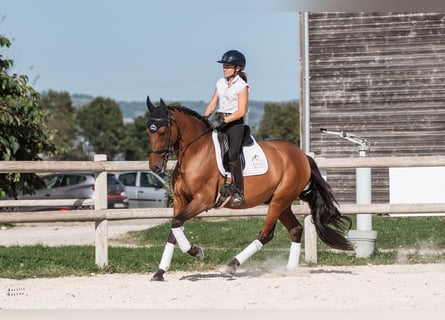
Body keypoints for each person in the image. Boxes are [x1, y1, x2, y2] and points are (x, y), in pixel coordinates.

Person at [204, 49, 249, 206]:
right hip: (219, 119)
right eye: (223, 66)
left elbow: (241, 111)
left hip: (235, 124)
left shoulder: (242, 86)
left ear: (237, 68)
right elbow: (212, 103)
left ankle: (238, 191)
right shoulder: (220, 82)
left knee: (233, 154)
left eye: (227, 66)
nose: (224, 68)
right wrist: (204, 117)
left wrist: (225, 121)